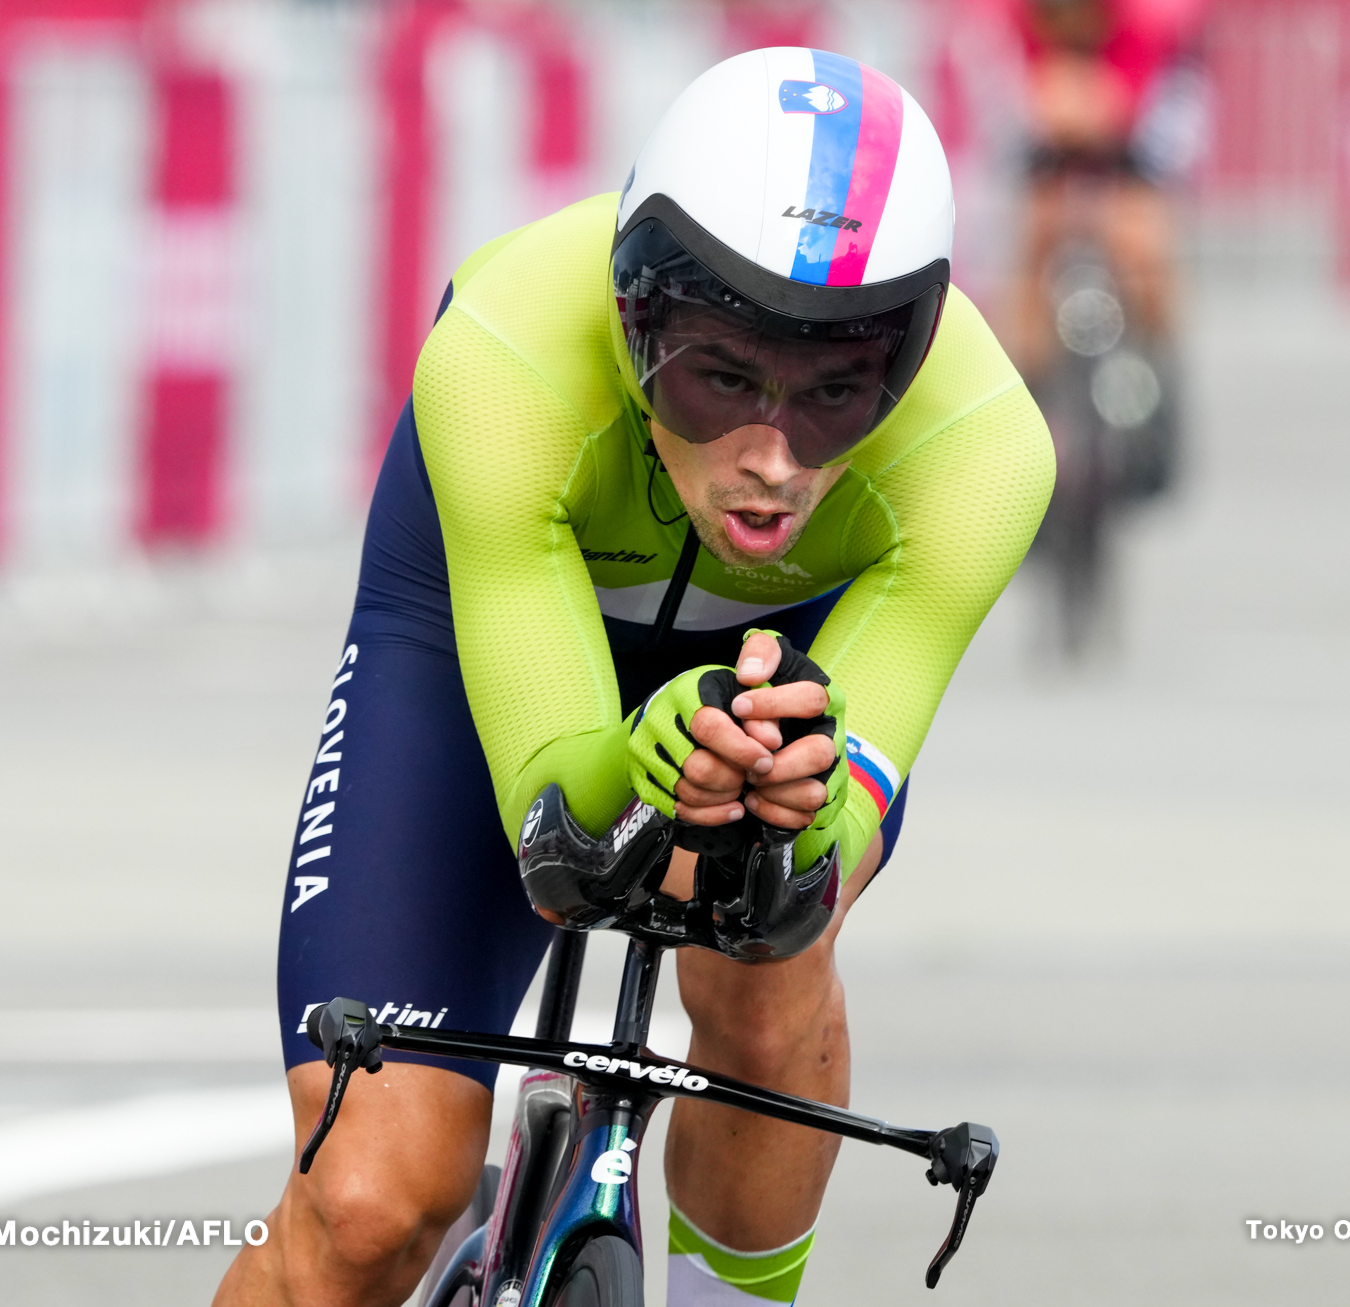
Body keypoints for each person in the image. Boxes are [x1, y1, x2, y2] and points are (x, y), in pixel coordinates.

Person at [214, 46, 1052, 1307]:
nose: (770, 456)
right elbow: (556, 822)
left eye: (837, 391)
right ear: (632, 313)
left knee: (771, 954)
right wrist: (645, 755)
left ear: (911, 353)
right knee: (370, 1209)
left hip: (779, 660)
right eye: (721, 376)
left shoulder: (982, 451)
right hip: (476, 635)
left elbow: (828, 846)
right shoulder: (505, 352)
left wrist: (798, 807)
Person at [1007, 0, 1207, 381]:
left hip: (1133, 155)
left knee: (1143, 250)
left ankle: (1156, 364)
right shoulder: (1027, 25)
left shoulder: (1140, 30)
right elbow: (1041, 112)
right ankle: (1027, 377)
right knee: (1034, 250)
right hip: (1054, 160)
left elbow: (1121, 113)